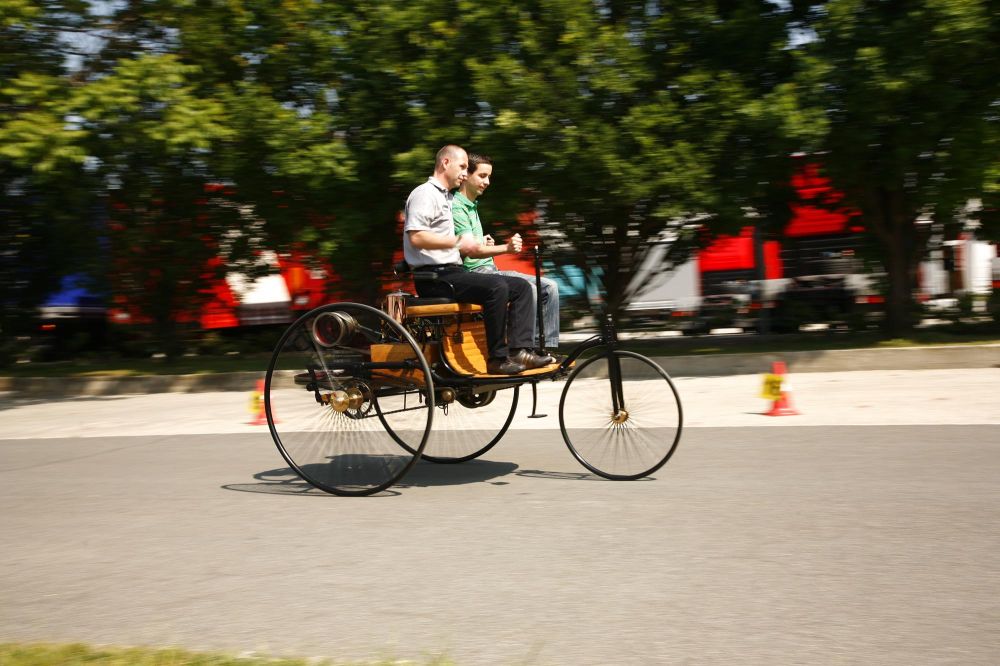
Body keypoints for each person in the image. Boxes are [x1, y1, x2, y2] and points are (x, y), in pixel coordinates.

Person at [402, 144, 554, 375]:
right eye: (462, 167)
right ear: (445, 163)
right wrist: (458, 242)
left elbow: (447, 239)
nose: (465, 173)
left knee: (522, 287)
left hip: (453, 272)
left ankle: (520, 351)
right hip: (434, 277)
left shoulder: (444, 198)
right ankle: (497, 359)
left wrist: (472, 242)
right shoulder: (425, 194)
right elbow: (417, 237)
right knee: (497, 286)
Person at [452, 153, 561, 353]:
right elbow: (472, 254)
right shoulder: (457, 207)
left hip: (487, 269)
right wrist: (507, 248)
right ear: (466, 175)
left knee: (550, 286)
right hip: (477, 275)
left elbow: (467, 245)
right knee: (537, 288)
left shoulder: (472, 205)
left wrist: (482, 241)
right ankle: (522, 350)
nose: (487, 182)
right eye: (482, 176)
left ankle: (543, 349)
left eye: (489, 177)